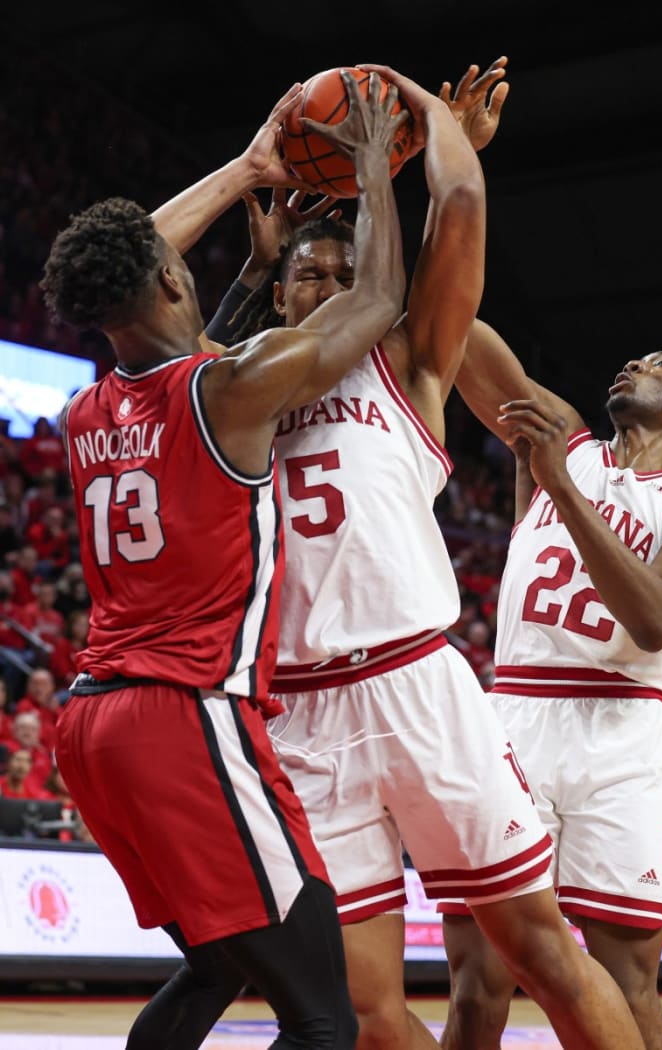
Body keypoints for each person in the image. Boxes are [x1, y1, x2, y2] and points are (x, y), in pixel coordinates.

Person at [206, 59, 646, 1050]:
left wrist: (408, 124)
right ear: (277, 297)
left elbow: (459, 201)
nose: (322, 286)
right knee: (360, 1010)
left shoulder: (407, 360)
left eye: (340, 271)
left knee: (536, 949)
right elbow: (168, 335)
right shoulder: (235, 397)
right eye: (302, 275)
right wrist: (249, 251)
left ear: (369, 284)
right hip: (304, 711)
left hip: (416, 684)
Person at [39, 73, 408, 1050]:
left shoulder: (88, 411)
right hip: (184, 715)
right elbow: (375, 298)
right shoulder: (230, 387)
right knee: (323, 1016)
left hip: (90, 726)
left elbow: (123, 274)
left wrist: (247, 177)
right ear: (168, 278)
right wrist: (374, 175)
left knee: (211, 971)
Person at [436, 333, 662, 1048]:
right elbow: (457, 334)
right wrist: (413, 234)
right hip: (516, 717)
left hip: (623, 732)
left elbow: (657, 623)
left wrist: (557, 488)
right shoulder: (564, 441)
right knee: (477, 987)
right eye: (637, 359)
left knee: (629, 993)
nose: (637, 365)